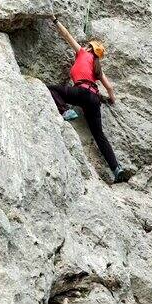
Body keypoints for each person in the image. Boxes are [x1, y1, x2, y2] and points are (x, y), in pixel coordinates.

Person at [47, 15, 127, 183]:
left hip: (82, 93)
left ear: (90, 48)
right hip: (94, 99)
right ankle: (116, 168)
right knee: (99, 135)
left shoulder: (83, 53)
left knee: (53, 89)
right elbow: (110, 88)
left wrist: (55, 20)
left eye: (87, 45)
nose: (84, 46)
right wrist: (111, 100)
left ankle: (66, 111)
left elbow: (67, 36)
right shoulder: (97, 67)